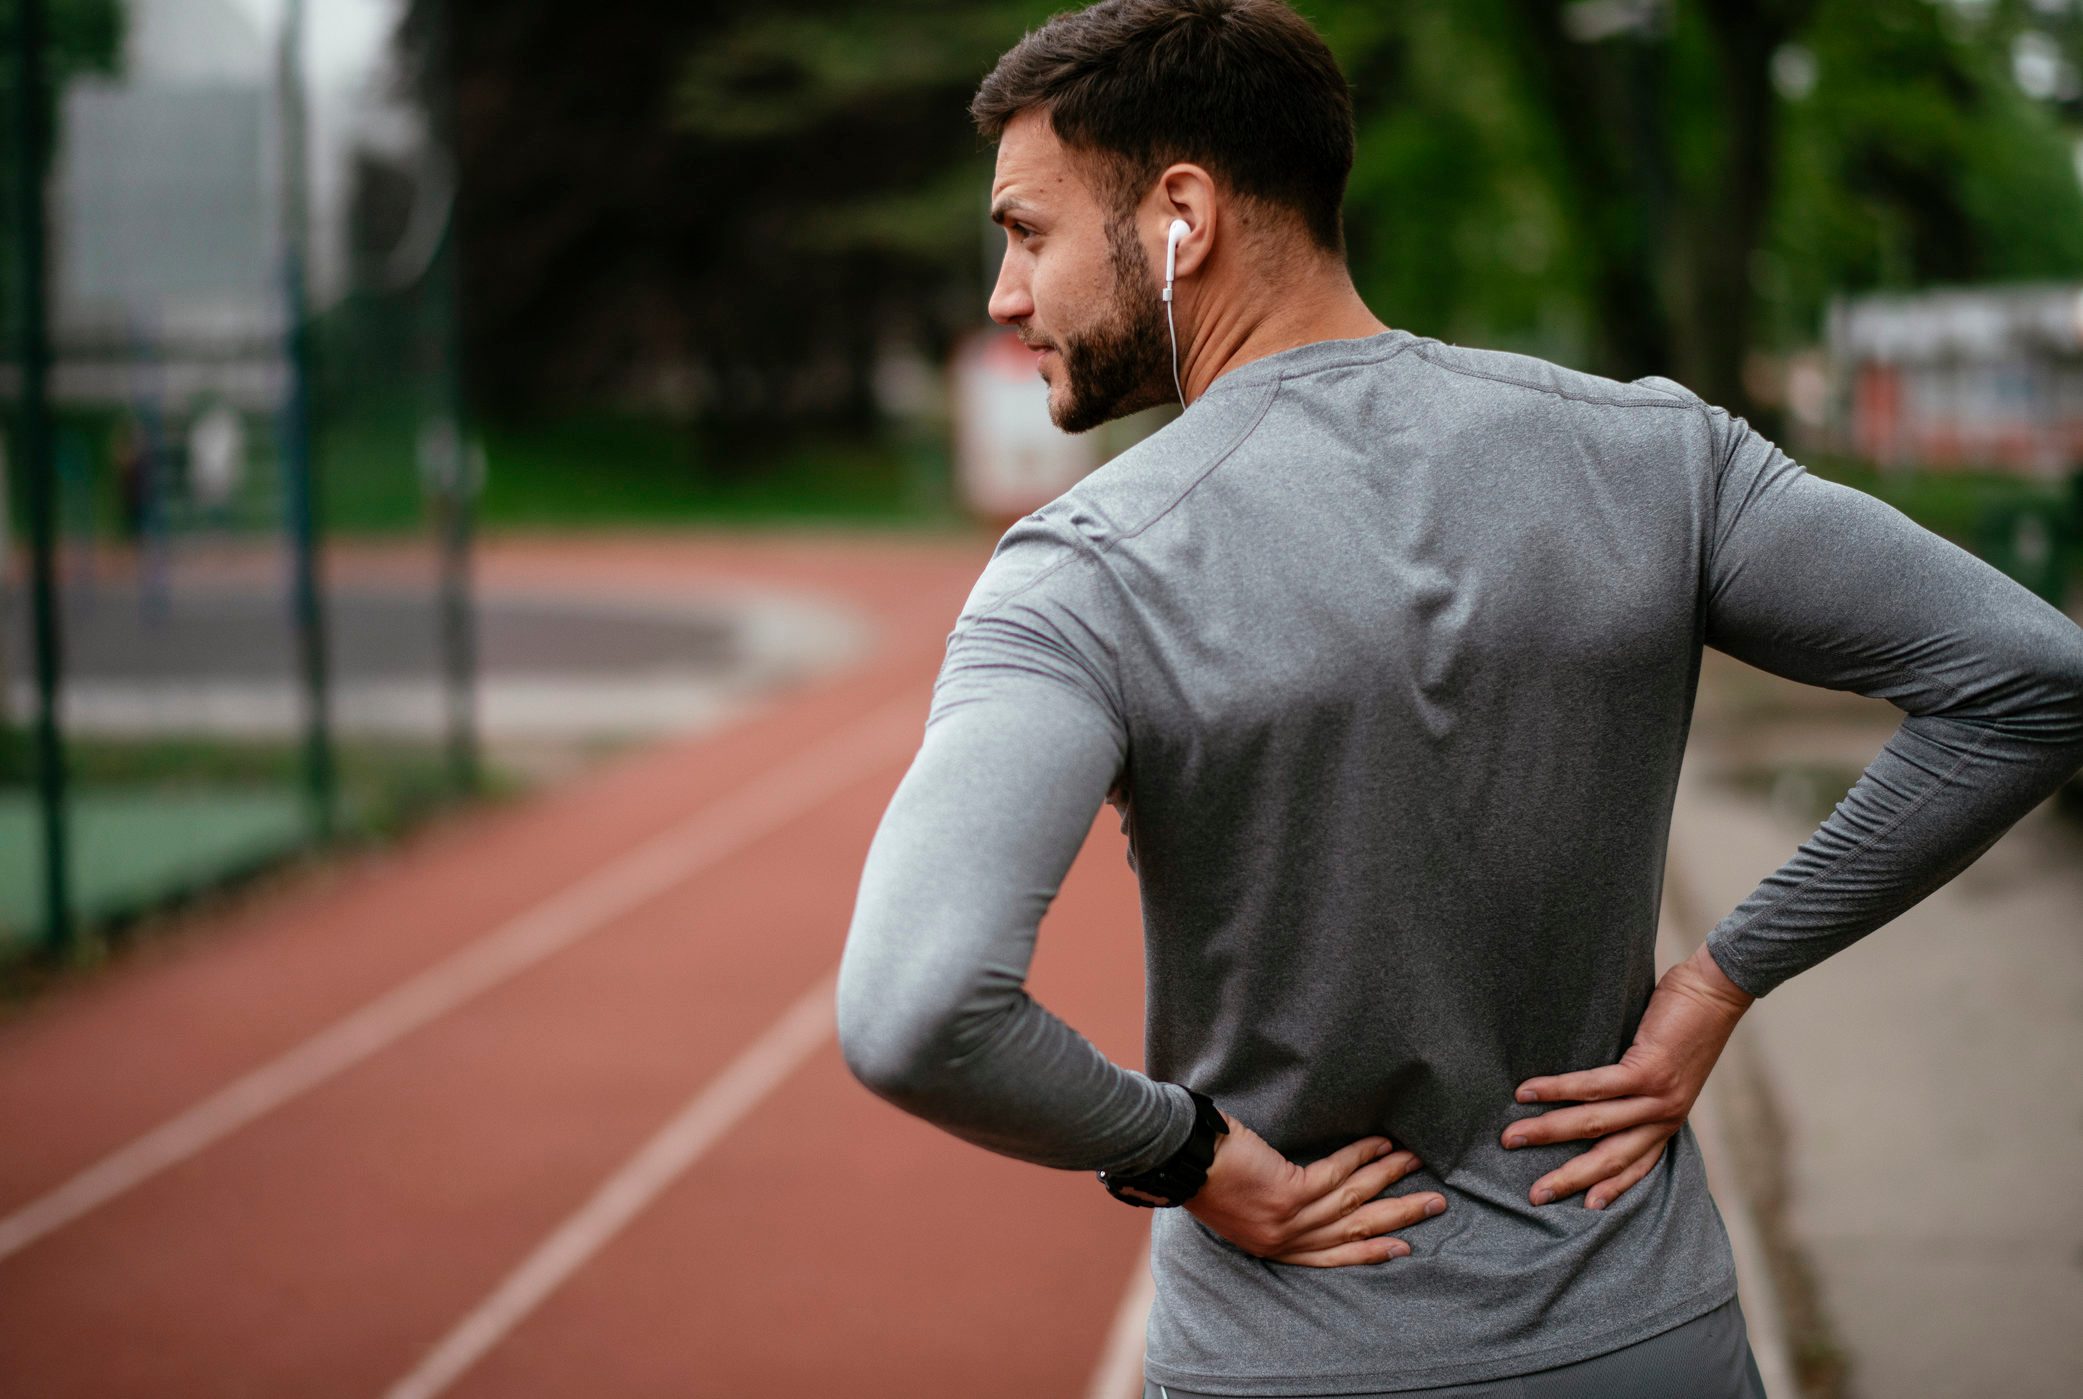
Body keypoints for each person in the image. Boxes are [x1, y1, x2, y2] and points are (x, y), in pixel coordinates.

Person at [833, 2, 2083, 1395]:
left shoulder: (1087, 569)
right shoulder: (1656, 457)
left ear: (1182, 212)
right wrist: (1722, 984)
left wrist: (1178, 1151)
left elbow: (915, 1008)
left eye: (1027, 232)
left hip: (1293, 1345)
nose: (1005, 295)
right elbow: (2027, 680)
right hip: (1642, 1330)